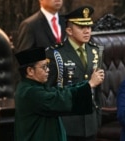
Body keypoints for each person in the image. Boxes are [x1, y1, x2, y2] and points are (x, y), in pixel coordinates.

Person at [14, 47, 105, 141]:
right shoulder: (29, 92)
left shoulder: (38, 86)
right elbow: (59, 99)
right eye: (43, 67)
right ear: (30, 71)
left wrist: (87, 85)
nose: (48, 70)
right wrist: (90, 85)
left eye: (47, 66)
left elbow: (61, 91)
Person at [45, 6, 102, 141]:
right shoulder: (55, 54)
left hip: (90, 123)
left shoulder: (95, 51)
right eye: (82, 27)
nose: (87, 31)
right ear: (69, 30)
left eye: (89, 27)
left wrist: (98, 117)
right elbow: (49, 91)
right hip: (67, 123)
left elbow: (98, 91)